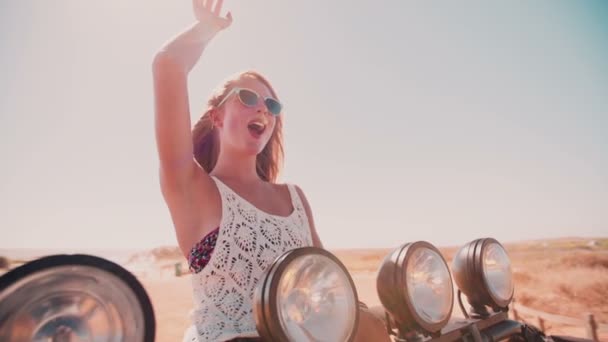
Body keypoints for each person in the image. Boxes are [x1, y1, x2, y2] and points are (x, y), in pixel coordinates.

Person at [152, 1, 391, 341]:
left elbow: (327, 285)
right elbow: (167, 65)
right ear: (217, 117)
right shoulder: (193, 189)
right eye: (248, 97)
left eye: (272, 104)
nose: (262, 107)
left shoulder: (294, 198)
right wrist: (206, 29)